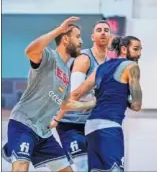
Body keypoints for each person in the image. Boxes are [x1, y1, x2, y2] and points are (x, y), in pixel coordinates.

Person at [1, 17, 96, 172]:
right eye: (77, 37)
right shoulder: (49, 56)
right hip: (23, 124)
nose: (81, 42)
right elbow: (30, 51)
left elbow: (66, 103)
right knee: (20, 167)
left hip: (44, 133)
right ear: (65, 39)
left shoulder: (66, 72)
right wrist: (59, 29)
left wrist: (92, 103)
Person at [65, 35, 143, 172]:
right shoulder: (132, 66)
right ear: (124, 49)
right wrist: (124, 99)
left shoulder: (101, 67)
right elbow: (137, 105)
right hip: (110, 125)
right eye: (136, 49)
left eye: (140, 50)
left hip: (91, 127)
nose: (139, 53)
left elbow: (78, 93)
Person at [51, 20, 112, 172]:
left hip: (93, 124)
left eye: (106, 30)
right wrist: (57, 118)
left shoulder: (111, 63)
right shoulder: (84, 58)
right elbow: (75, 92)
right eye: (99, 30)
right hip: (71, 123)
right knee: (83, 165)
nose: (103, 32)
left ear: (111, 36)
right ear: (92, 37)